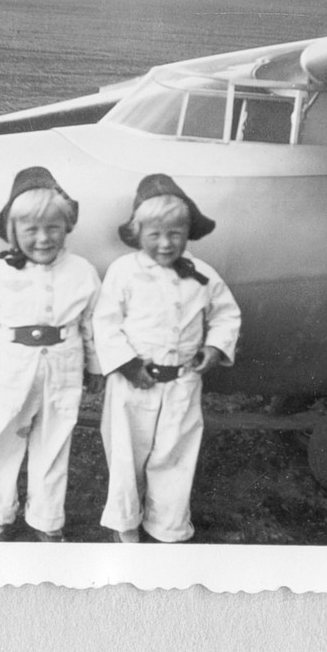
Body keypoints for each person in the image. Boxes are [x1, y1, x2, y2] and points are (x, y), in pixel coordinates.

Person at [0, 167, 102, 541]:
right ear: (14, 233)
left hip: (63, 368)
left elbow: (94, 324)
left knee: (54, 441)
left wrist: (96, 367)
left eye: (53, 228)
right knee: (1, 437)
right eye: (31, 230)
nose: (44, 238)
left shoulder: (82, 272)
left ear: (67, 228)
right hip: (11, 368)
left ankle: (47, 520)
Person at [93, 174, 242, 543]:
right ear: (136, 232)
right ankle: (125, 523)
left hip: (182, 381)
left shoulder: (203, 275)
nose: (165, 243)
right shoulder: (124, 272)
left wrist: (215, 347)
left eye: (175, 233)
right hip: (133, 383)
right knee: (128, 455)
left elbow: (226, 313)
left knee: (175, 455)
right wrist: (128, 365)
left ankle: (168, 527)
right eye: (154, 234)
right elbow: (106, 322)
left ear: (188, 232)